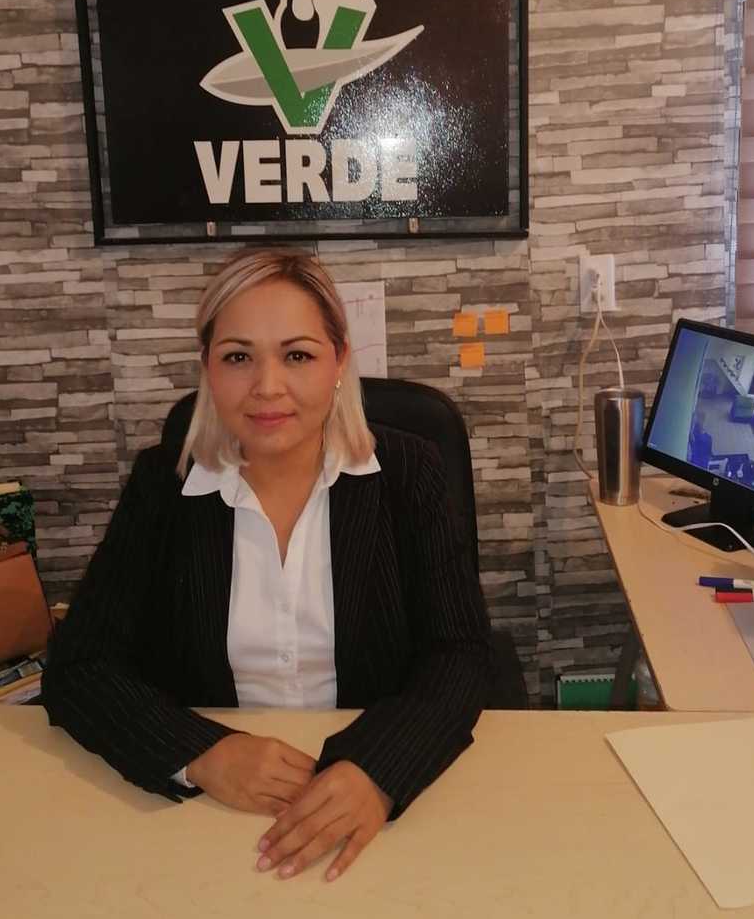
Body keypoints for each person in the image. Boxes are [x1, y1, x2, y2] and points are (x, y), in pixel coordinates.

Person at [42, 247, 492, 883]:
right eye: (238, 357)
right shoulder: (163, 486)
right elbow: (80, 666)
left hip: (370, 811)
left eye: (297, 355)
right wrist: (202, 754)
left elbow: (460, 654)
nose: (267, 386)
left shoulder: (408, 474)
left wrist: (378, 770)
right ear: (208, 366)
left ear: (339, 360)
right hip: (209, 817)